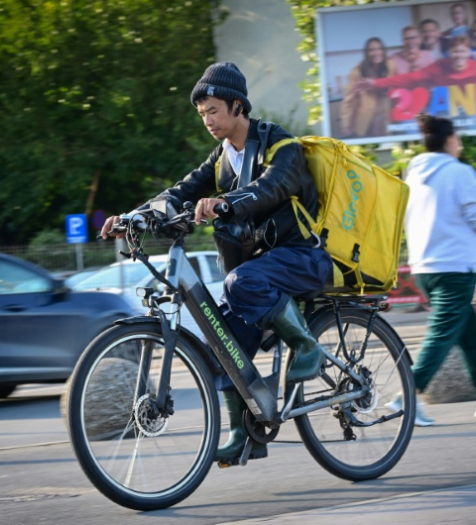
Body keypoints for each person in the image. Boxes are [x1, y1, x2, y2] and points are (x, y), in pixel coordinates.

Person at [100, 62, 334, 464]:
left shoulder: (280, 144)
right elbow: (182, 190)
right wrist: (132, 217)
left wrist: (225, 202)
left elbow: (272, 186)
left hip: (304, 257)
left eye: (213, 111)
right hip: (263, 268)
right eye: (202, 114)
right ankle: (245, 434)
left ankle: (305, 344)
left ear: (238, 106)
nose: (206, 120)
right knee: (219, 338)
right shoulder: (222, 159)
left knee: (240, 282)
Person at [390, 113, 476, 422]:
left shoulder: (414, 175)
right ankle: (407, 395)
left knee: (468, 332)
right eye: (458, 139)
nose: (459, 145)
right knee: (443, 333)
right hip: (455, 267)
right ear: (449, 141)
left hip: (425, 267)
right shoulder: (459, 172)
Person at [340, 37, 396, 138]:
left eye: (379, 49)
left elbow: (395, 87)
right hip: (365, 120)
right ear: (366, 53)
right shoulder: (357, 71)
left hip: (386, 117)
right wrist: (346, 124)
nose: (376, 52)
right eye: (371, 50)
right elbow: (349, 99)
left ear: (383, 50)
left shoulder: (390, 66)